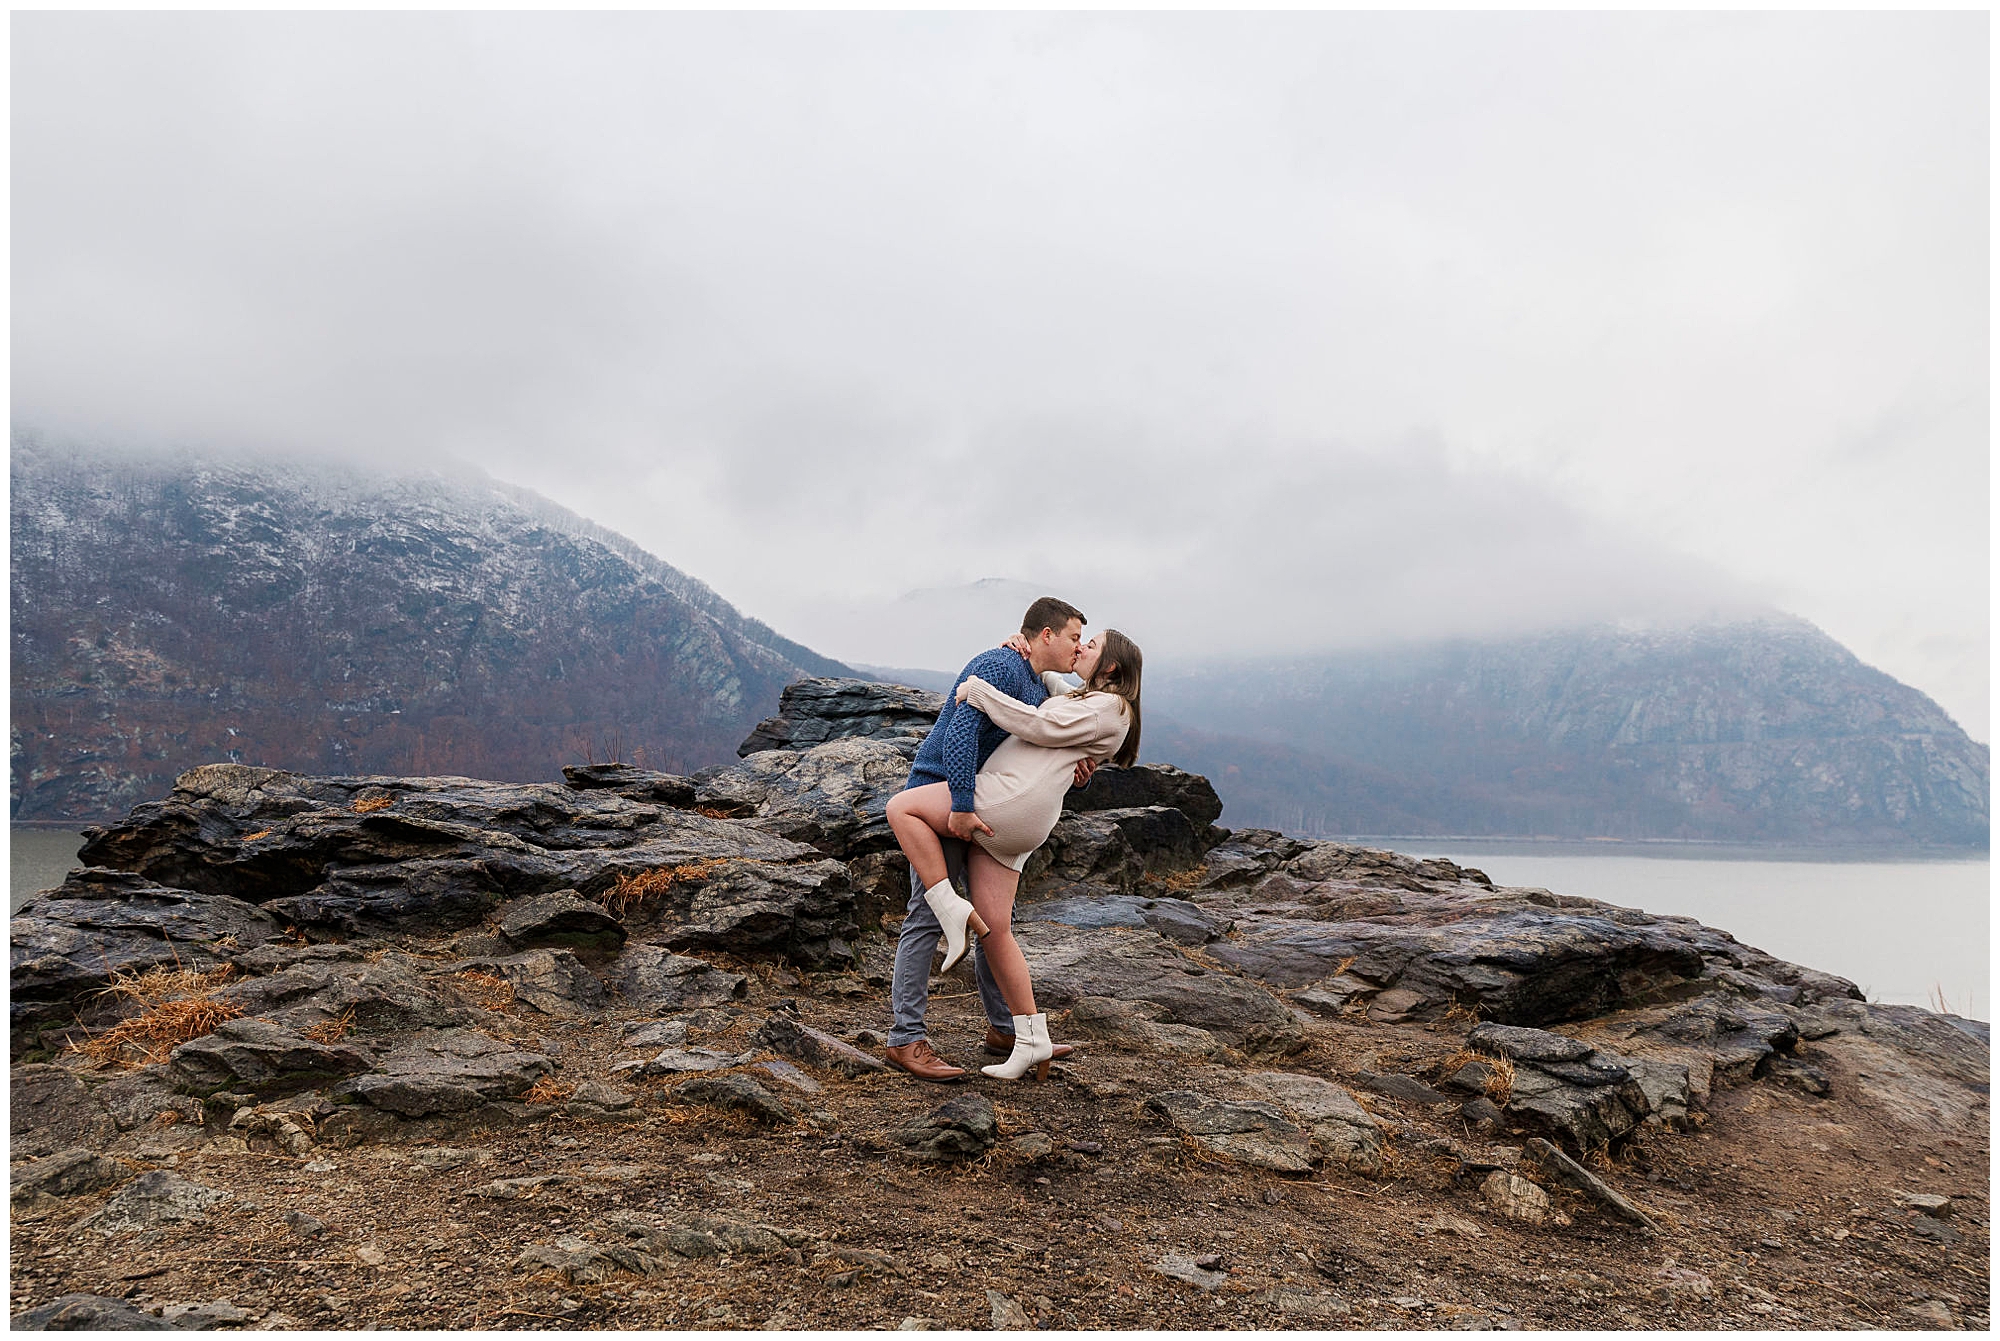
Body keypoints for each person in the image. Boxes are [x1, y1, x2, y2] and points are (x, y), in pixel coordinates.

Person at [887, 626, 1143, 1081]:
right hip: (1013, 813)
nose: (1080, 646)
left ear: (1110, 667)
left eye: (1089, 643)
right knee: (995, 929)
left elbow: (1040, 725)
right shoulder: (1074, 691)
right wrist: (1025, 655)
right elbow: (1053, 701)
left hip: (995, 803)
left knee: (902, 818)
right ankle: (1023, 1036)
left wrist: (976, 691)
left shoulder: (1107, 706)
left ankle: (907, 1034)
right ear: (1045, 635)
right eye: (1075, 637)